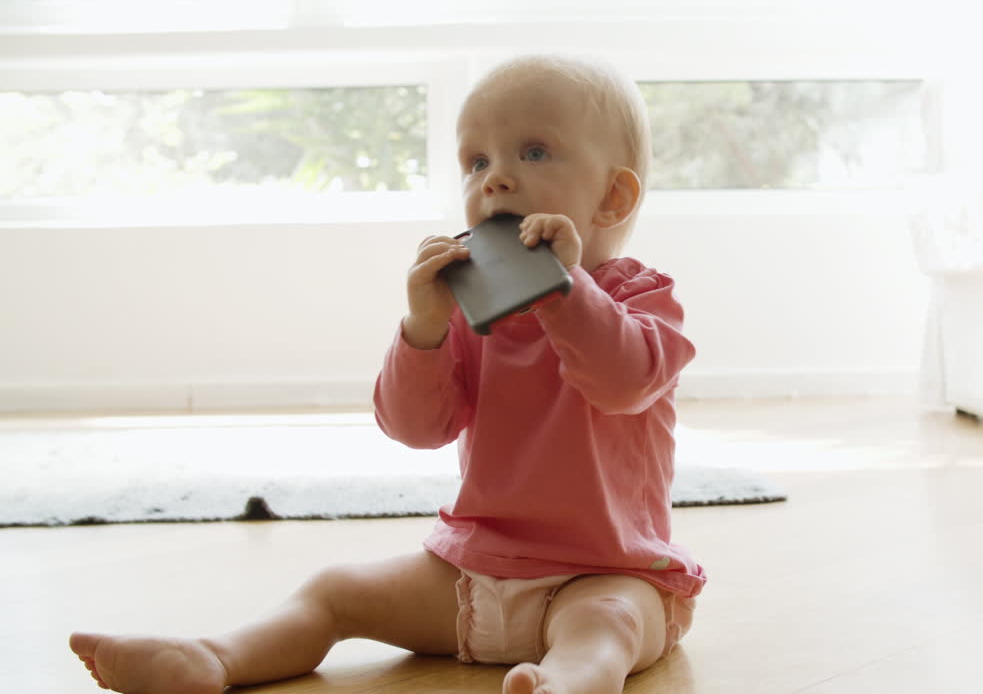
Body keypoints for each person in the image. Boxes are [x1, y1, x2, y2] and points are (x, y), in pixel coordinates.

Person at [68, 52, 704, 694]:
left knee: (610, 625)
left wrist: (565, 291)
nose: (496, 179)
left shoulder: (643, 302)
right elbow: (416, 427)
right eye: (476, 162)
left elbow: (622, 381)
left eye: (534, 153)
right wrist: (422, 329)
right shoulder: (468, 311)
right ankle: (215, 656)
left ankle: (567, 683)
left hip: (603, 572)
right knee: (334, 590)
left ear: (612, 197)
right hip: (470, 574)